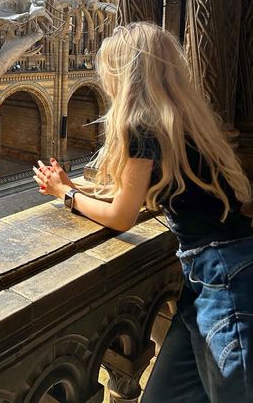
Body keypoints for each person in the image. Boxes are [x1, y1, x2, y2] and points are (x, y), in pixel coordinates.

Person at [33, 22, 253, 402]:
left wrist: (64, 195)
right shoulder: (182, 120)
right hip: (212, 274)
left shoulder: (141, 126)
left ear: (125, 73)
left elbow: (121, 215)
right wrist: (73, 185)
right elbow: (130, 191)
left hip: (224, 281)